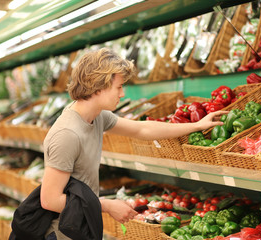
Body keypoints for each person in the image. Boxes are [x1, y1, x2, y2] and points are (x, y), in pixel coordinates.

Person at [40, 47, 228, 239]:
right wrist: (106, 205)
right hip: (62, 232)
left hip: (82, 222)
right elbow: (49, 200)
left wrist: (196, 126)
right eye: (118, 87)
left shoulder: (97, 117)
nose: (122, 94)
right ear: (98, 87)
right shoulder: (66, 134)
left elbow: (142, 129)